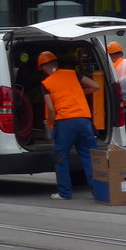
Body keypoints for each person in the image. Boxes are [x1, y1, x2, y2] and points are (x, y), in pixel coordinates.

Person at [38, 50, 100, 201]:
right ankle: (99, 192)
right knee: (89, 156)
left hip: (65, 122)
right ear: (56, 63)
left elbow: (50, 108)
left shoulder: (46, 83)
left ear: (44, 67)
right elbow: (95, 86)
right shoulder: (73, 74)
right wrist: (78, 93)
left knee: (60, 156)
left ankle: (65, 193)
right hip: (84, 120)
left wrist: (53, 123)